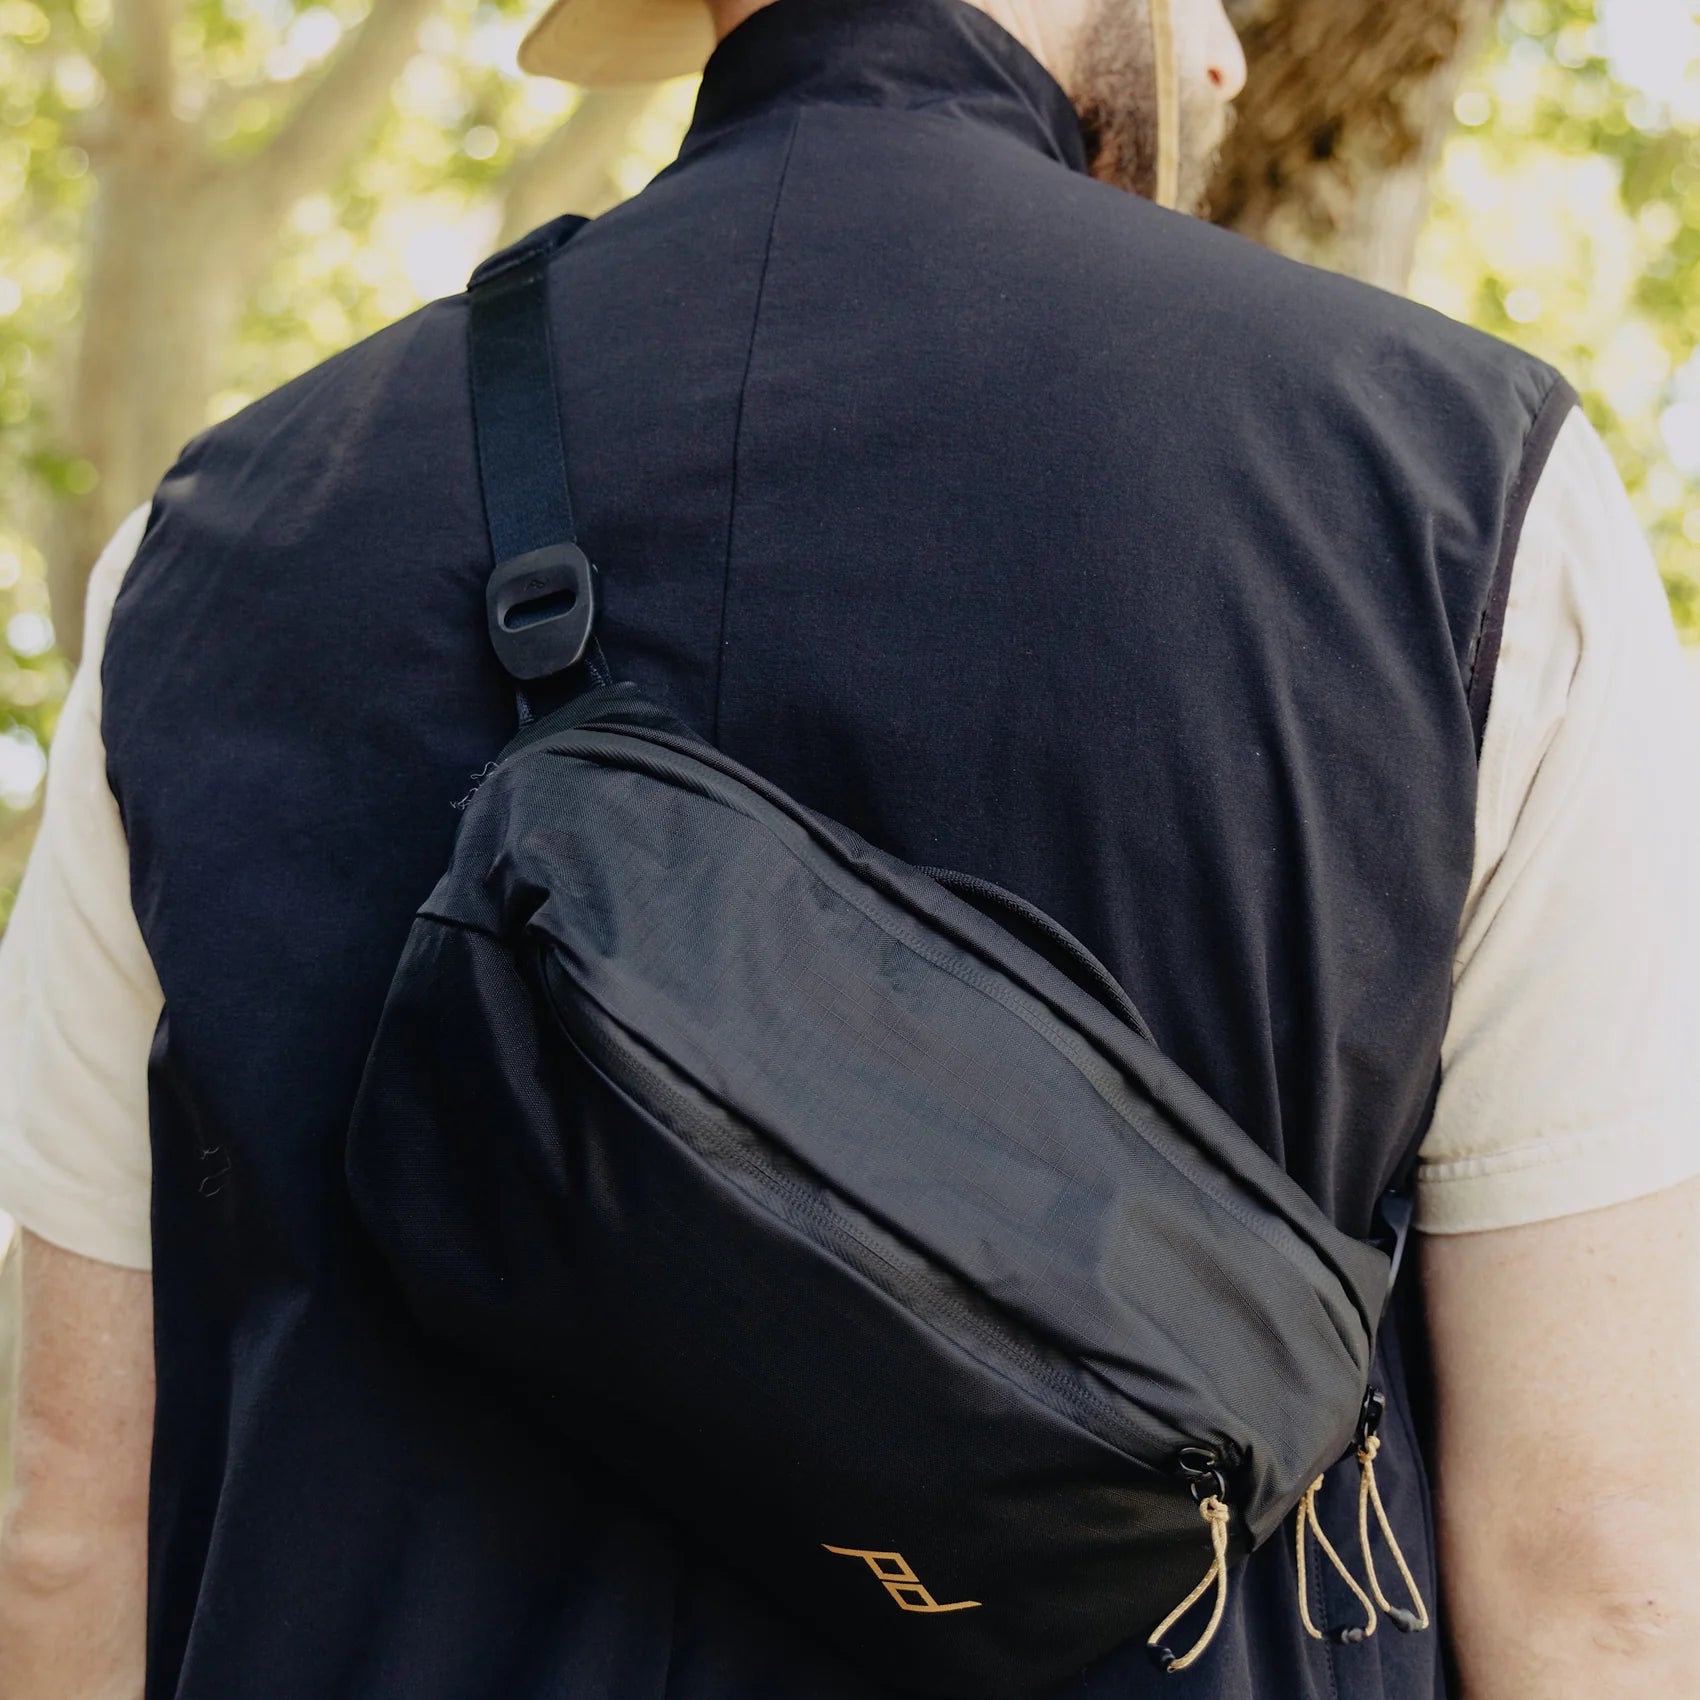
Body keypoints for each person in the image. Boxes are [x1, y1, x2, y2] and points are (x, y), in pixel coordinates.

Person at [3, 0, 1700, 1695]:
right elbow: (1596, 1567)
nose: (1225, 67)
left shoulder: (207, 552)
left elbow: (62, 1520)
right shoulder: (1468, 495)